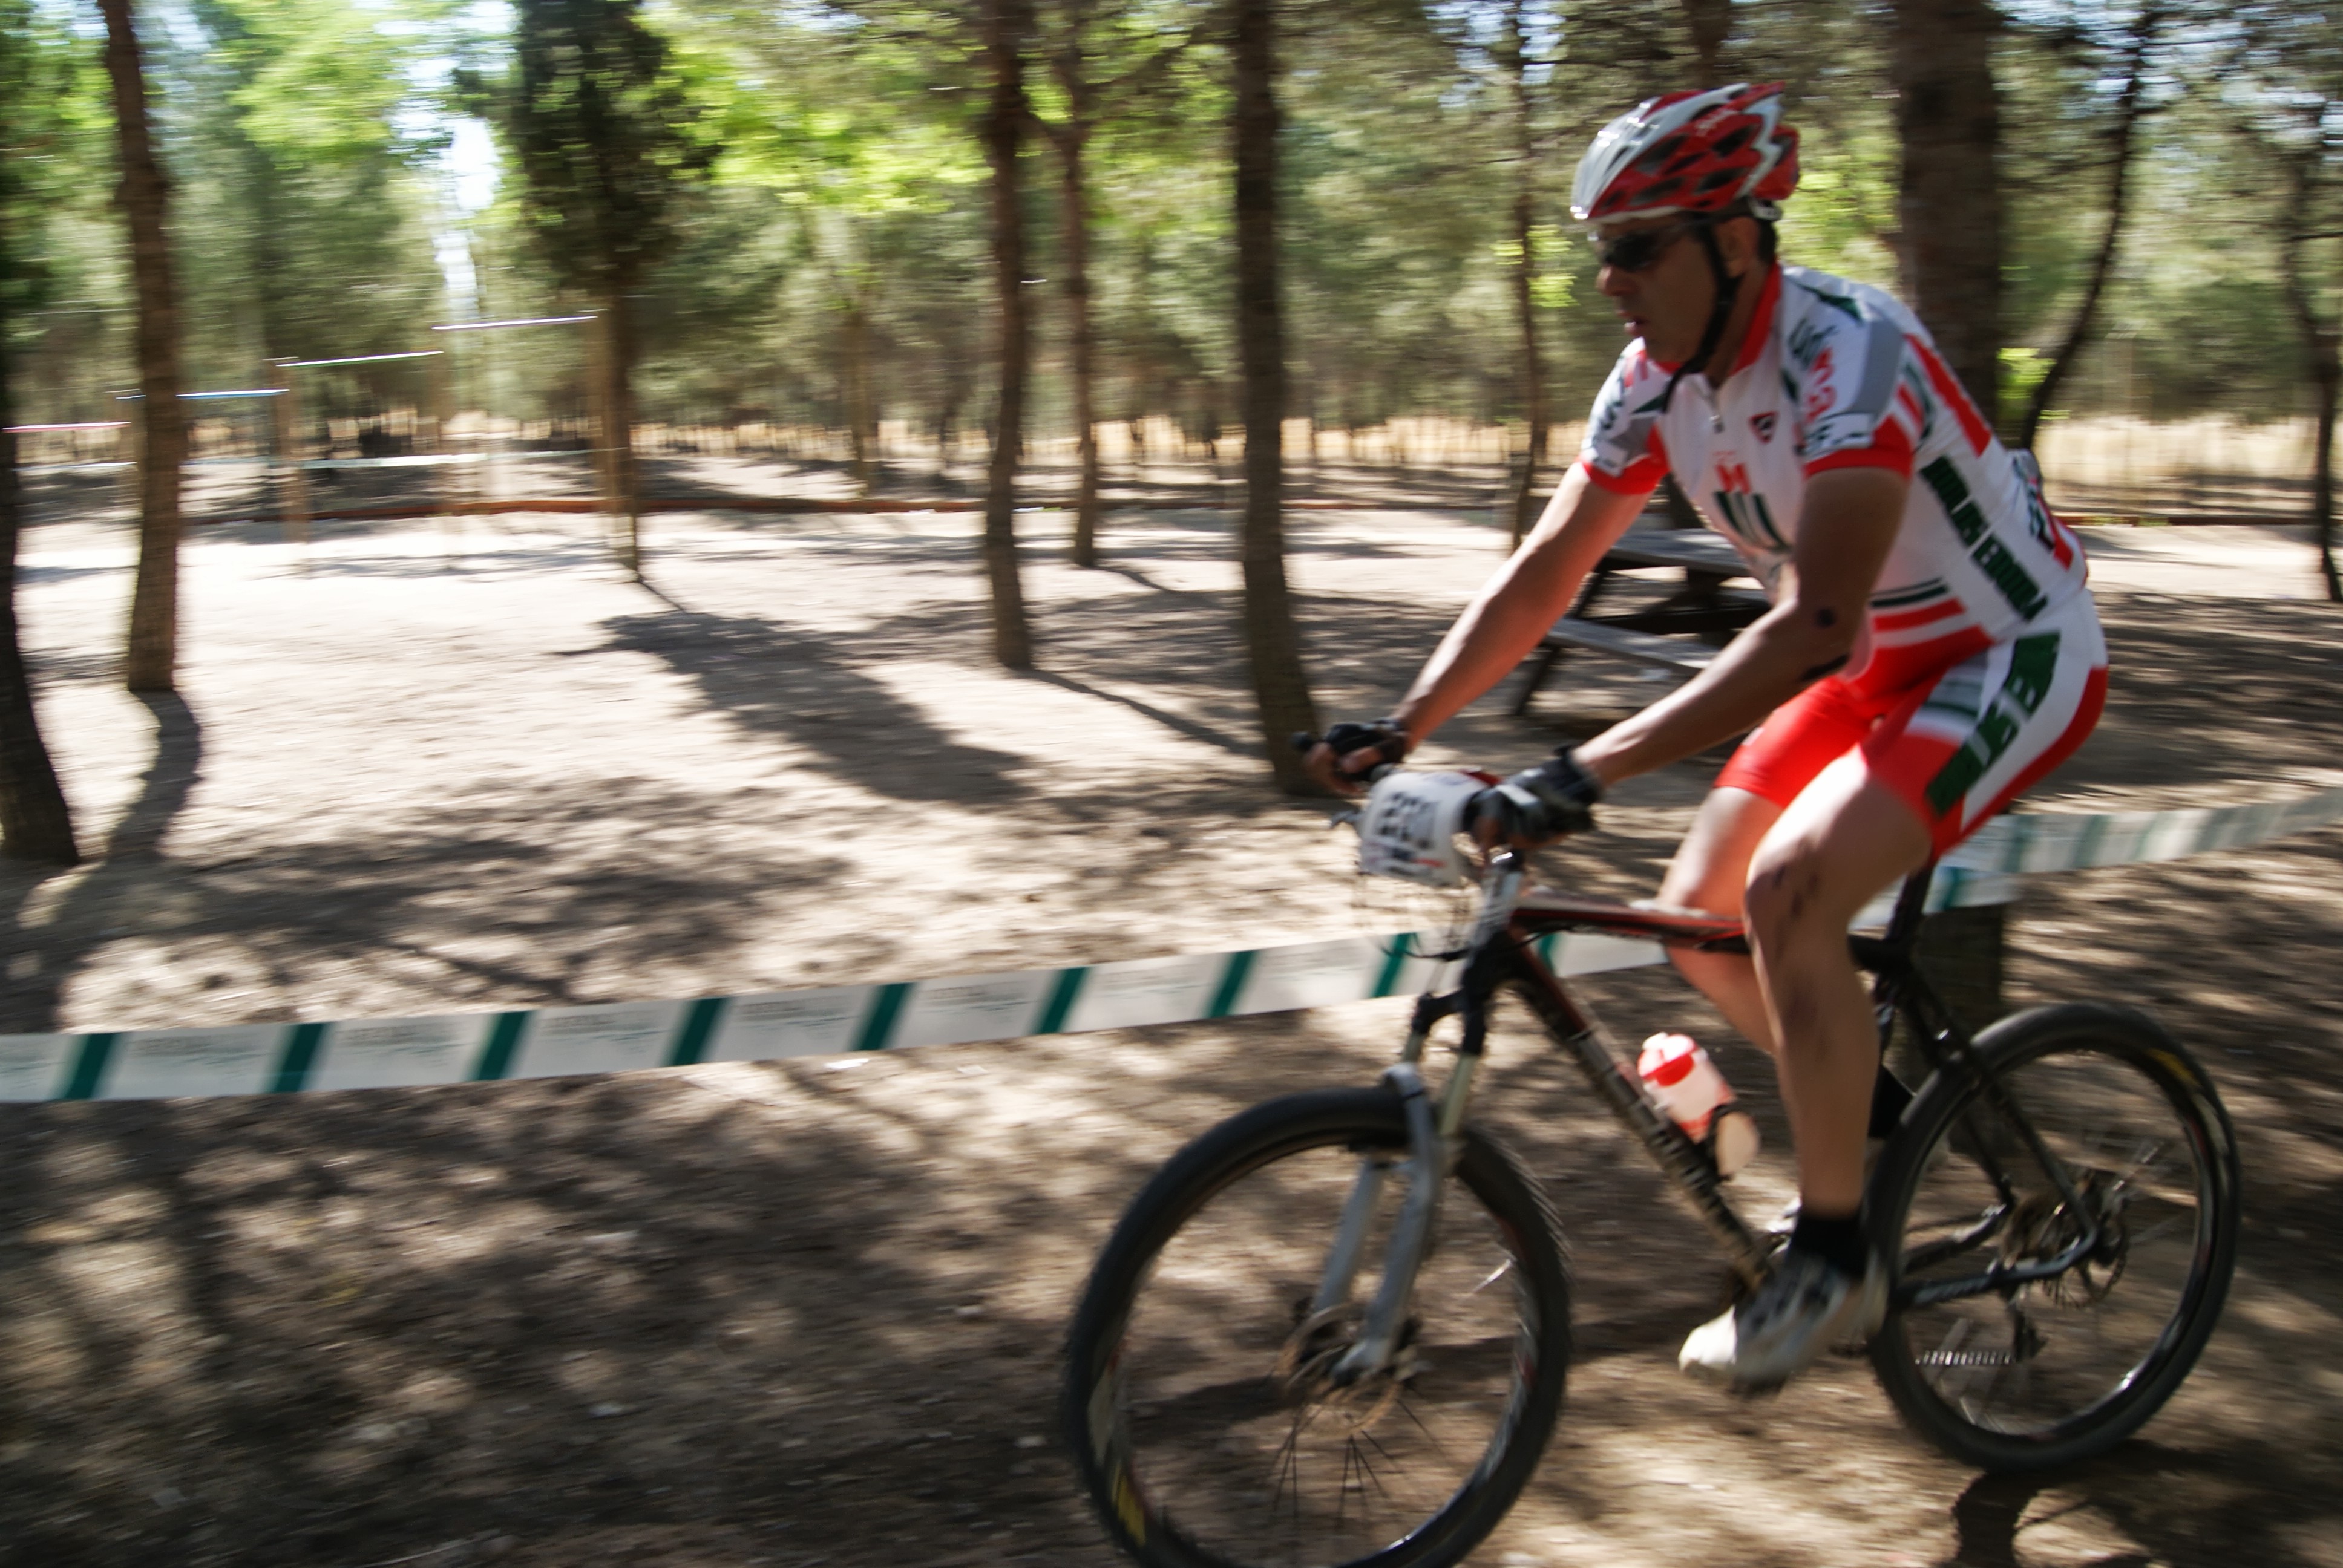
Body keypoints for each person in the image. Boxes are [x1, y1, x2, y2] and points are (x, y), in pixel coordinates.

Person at [1306, 82, 2104, 1390]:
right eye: (1600, 251)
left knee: (1789, 890)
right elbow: (1548, 572)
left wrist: (1582, 770)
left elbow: (1813, 623)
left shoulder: (1851, 354)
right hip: (1875, 664)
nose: (1608, 280)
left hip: (2005, 649)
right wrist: (1401, 726)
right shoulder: (1652, 381)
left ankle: (1837, 1259)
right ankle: (1879, 1135)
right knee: (1698, 919)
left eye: (1636, 247)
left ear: (1735, 241)